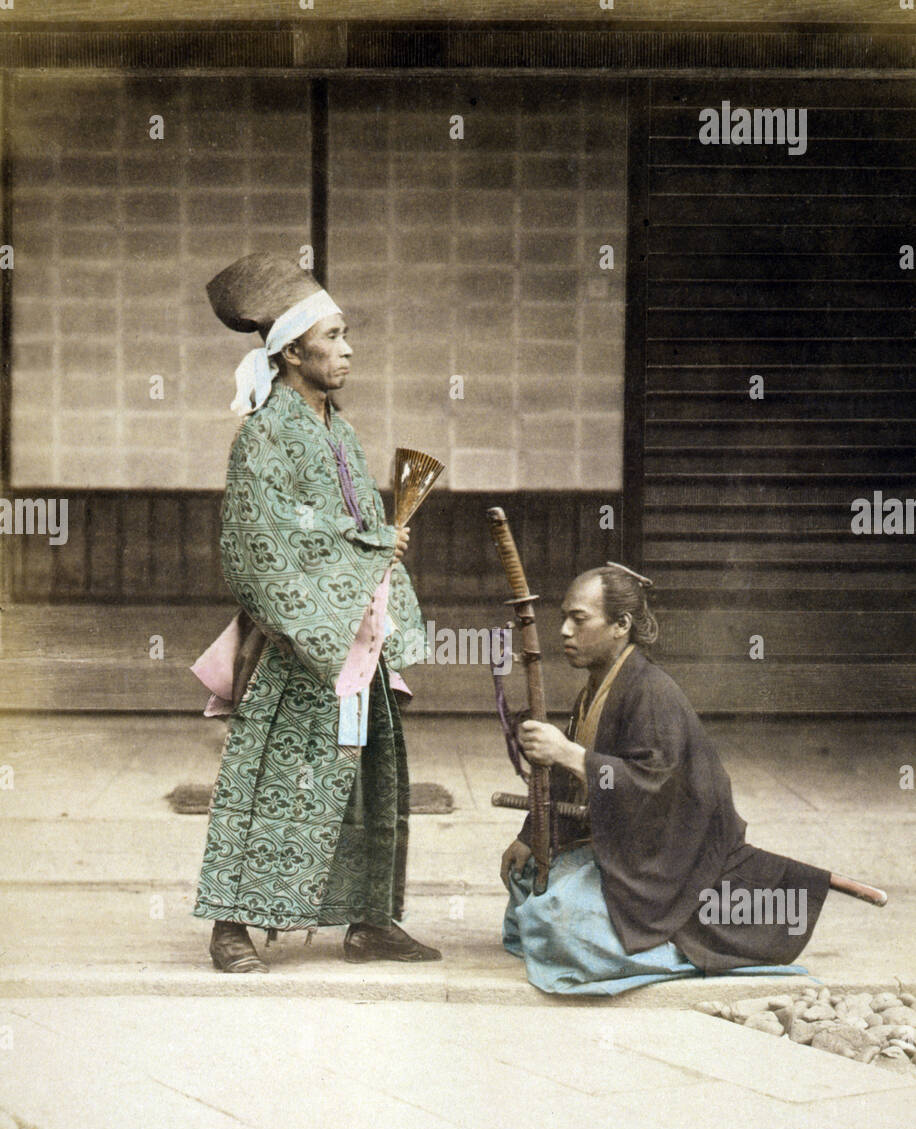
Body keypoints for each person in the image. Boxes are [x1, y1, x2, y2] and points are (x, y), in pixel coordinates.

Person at [193, 252, 440, 972]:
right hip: (305, 643)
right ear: (293, 353)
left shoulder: (339, 429)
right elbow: (258, 543)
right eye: (334, 337)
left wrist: (381, 546)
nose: (349, 349)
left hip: (356, 638)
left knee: (368, 776)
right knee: (273, 780)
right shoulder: (265, 436)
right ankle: (231, 927)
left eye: (347, 334)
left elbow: (348, 523)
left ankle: (370, 922)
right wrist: (367, 547)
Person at [499, 564, 831, 996]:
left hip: (674, 862)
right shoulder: (597, 687)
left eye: (578, 619)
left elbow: (655, 789)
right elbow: (571, 781)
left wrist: (569, 753)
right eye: (563, 617)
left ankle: (677, 950)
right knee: (526, 884)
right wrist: (531, 835)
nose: (563, 630)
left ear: (622, 625)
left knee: (557, 922)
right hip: (631, 849)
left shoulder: (651, 692)